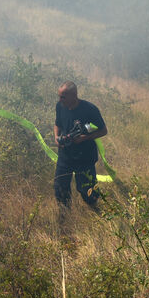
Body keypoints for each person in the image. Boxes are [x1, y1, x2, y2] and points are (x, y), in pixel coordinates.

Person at [53, 81, 108, 214]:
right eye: (59, 96)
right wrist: (56, 137)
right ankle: (65, 214)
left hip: (84, 158)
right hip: (65, 156)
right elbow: (57, 124)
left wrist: (85, 138)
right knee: (60, 187)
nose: (60, 100)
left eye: (63, 97)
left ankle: (96, 213)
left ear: (74, 95)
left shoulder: (90, 109)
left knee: (87, 190)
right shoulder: (60, 106)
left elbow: (103, 130)